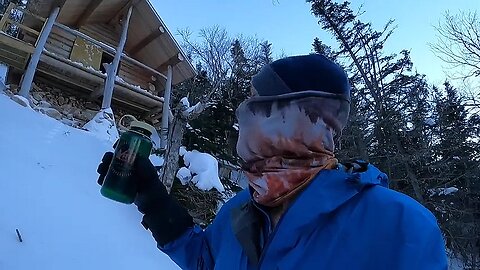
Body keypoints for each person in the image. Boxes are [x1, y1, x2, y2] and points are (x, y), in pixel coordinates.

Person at [97, 54, 448, 270]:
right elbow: (206, 261)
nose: (242, 115)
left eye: (255, 103)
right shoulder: (243, 207)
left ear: (296, 117)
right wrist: (153, 198)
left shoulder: (400, 226)